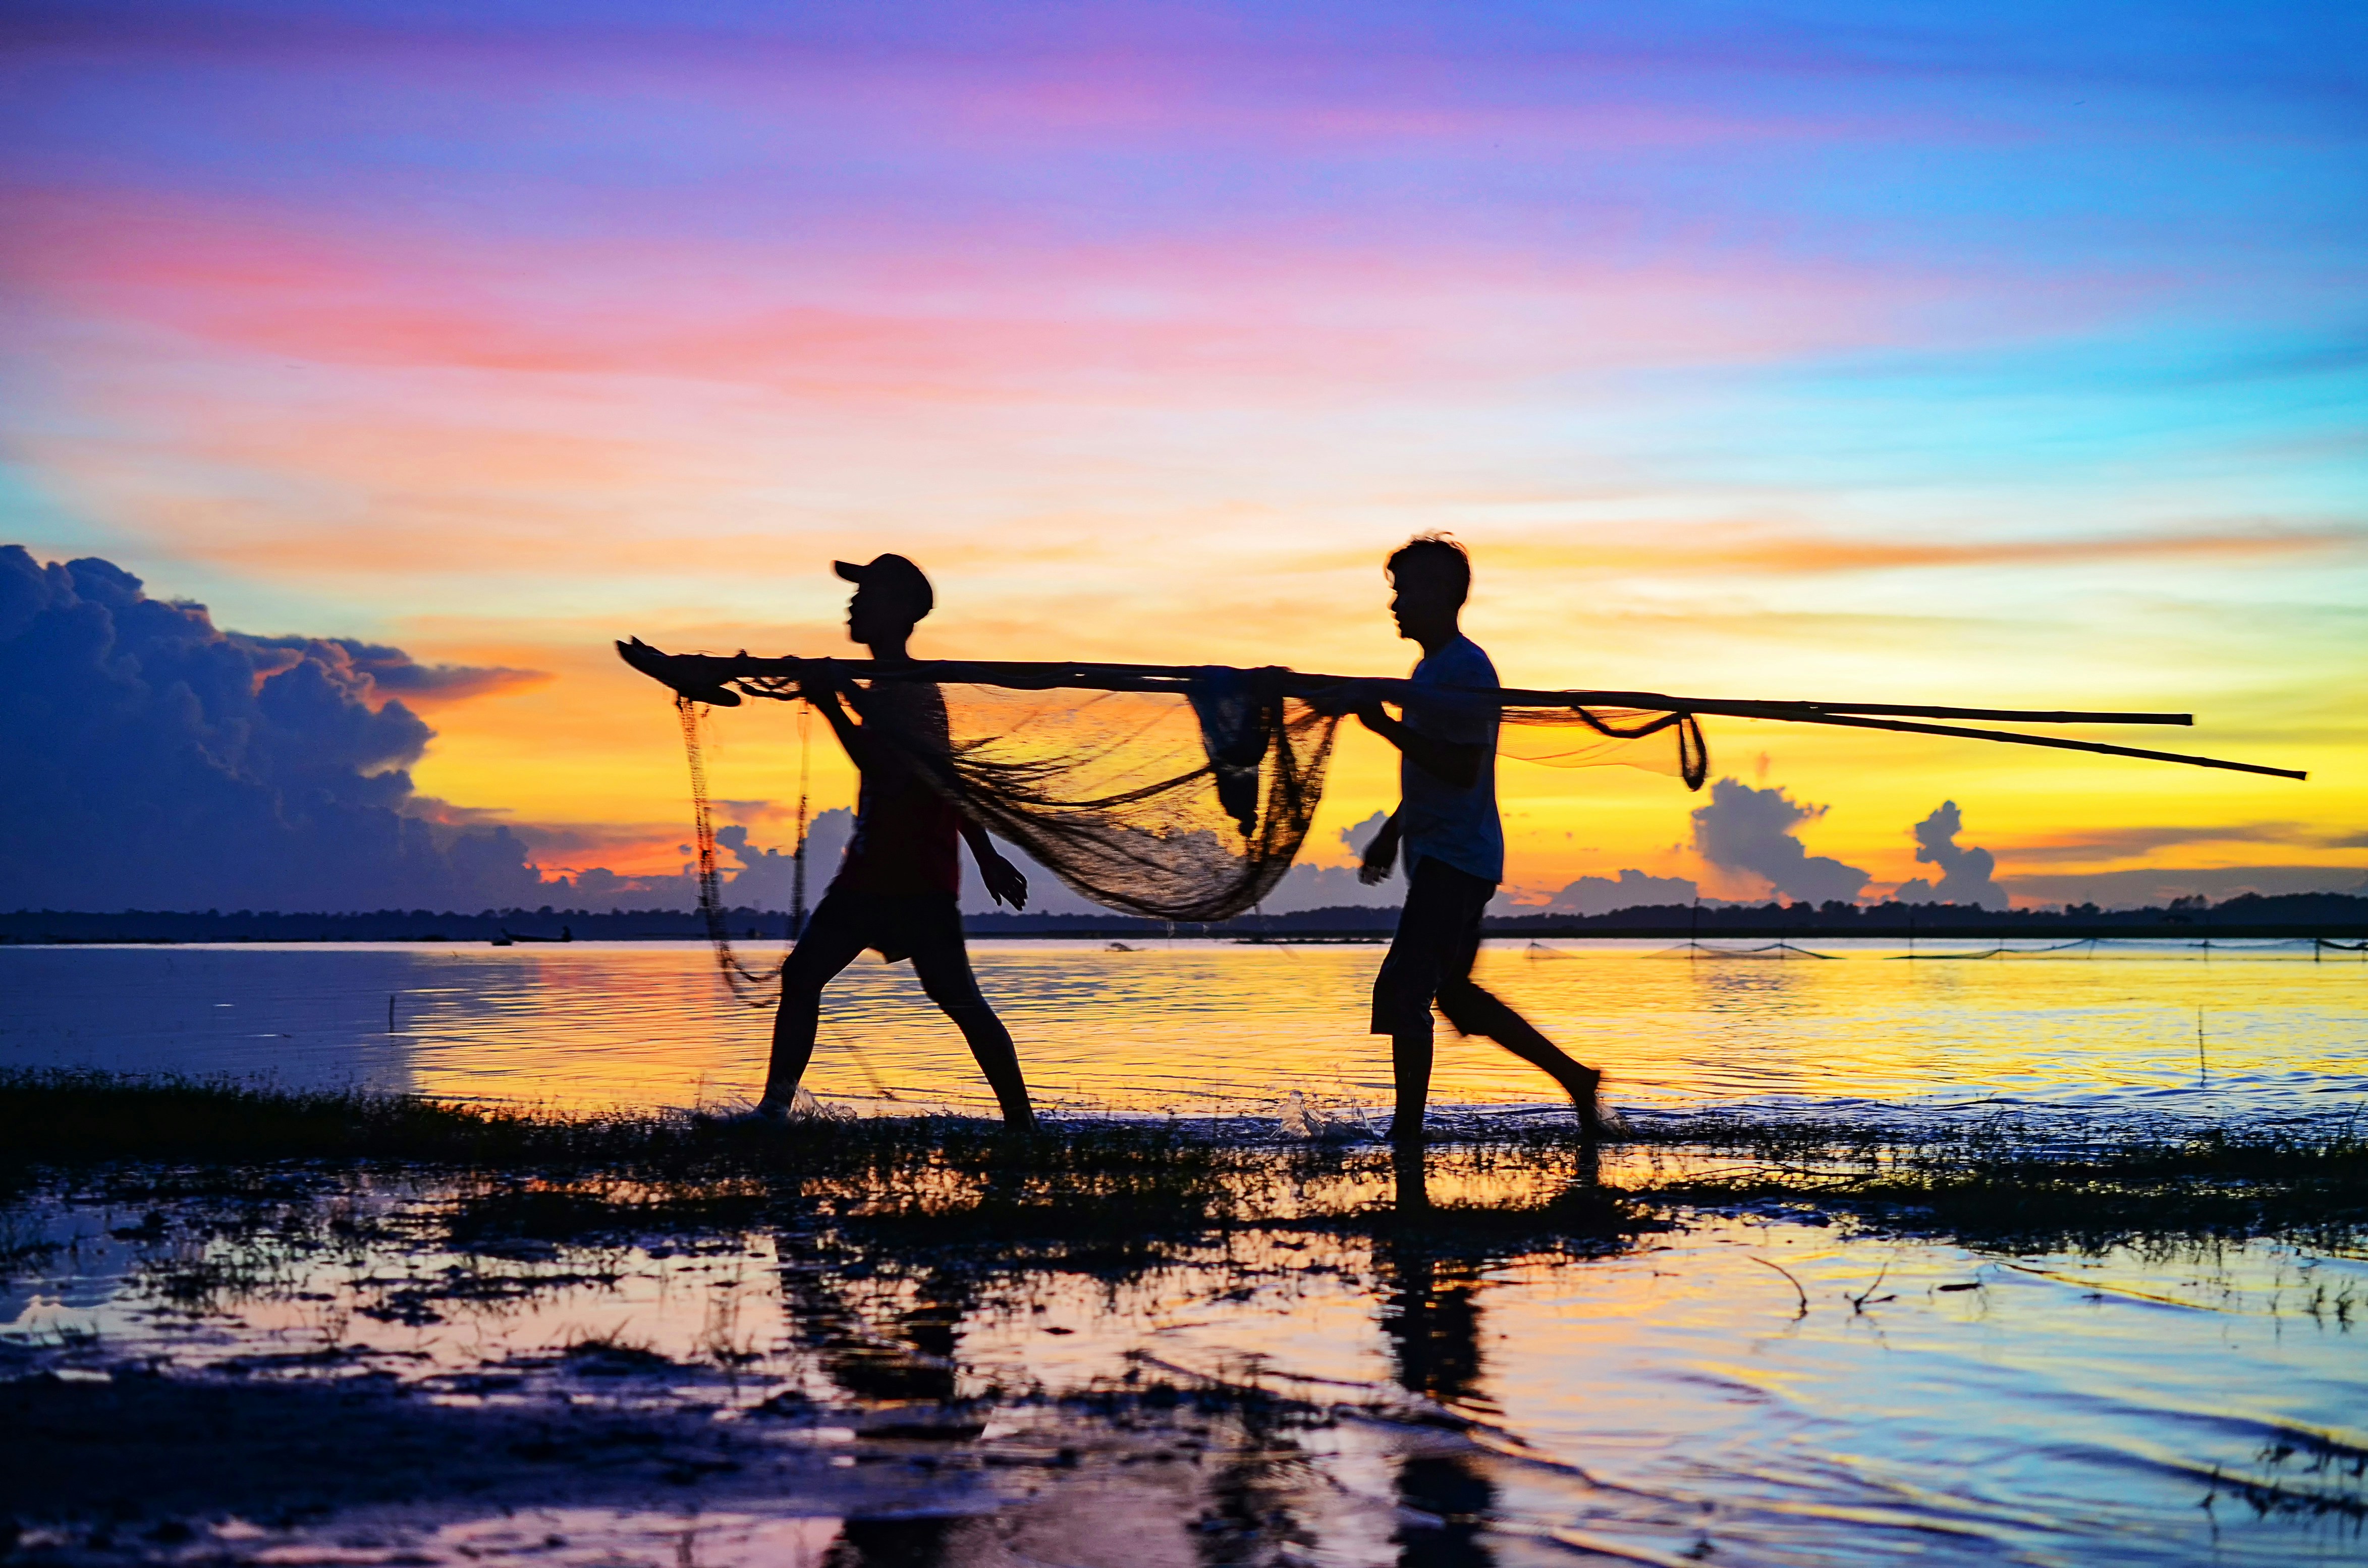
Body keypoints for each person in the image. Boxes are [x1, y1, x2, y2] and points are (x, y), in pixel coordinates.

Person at [747, 553, 1036, 1128]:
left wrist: (830, 701)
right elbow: (938, 774)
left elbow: (905, 775)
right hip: (873, 867)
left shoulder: (913, 692)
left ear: (900, 613)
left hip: (913, 874)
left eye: (868, 595)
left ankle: (1023, 1125)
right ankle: (773, 1110)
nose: (853, 604)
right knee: (802, 977)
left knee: (957, 999)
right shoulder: (883, 688)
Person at [1347, 535, 1608, 1143]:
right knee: (1455, 997)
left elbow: (1460, 766)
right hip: (1451, 855)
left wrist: (1383, 722)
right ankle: (1575, 1078)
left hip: (1455, 860)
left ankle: (1404, 1135)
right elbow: (1430, 776)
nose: (1394, 604)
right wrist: (1391, 832)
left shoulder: (1464, 669)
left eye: (1403, 590)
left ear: (1440, 594)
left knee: (1405, 987)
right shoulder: (1430, 671)